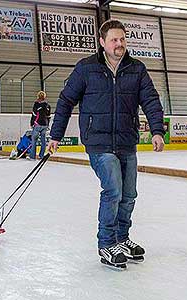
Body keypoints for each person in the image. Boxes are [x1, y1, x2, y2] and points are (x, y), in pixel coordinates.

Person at [47, 19, 165, 269]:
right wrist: (55, 135)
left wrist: (157, 130)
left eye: (122, 39)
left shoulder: (136, 69)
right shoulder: (86, 68)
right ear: (102, 42)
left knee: (129, 195)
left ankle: (122, 238)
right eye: (114, 39)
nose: (119, 44)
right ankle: (107, 243)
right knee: (113, 191)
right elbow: (66, 101)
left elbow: (151, 101)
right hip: (98, 143)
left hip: (126, 141)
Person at [29, 91, 51, 160]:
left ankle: (32, 156)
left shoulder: (36, 105)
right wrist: (47, 124)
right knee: (43, 141)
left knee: (34, 140)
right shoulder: (48, 105)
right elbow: (48, 115)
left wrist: (32, 123)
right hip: (45, 125)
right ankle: (41, 156)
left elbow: (34, 115)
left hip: (37, 124)